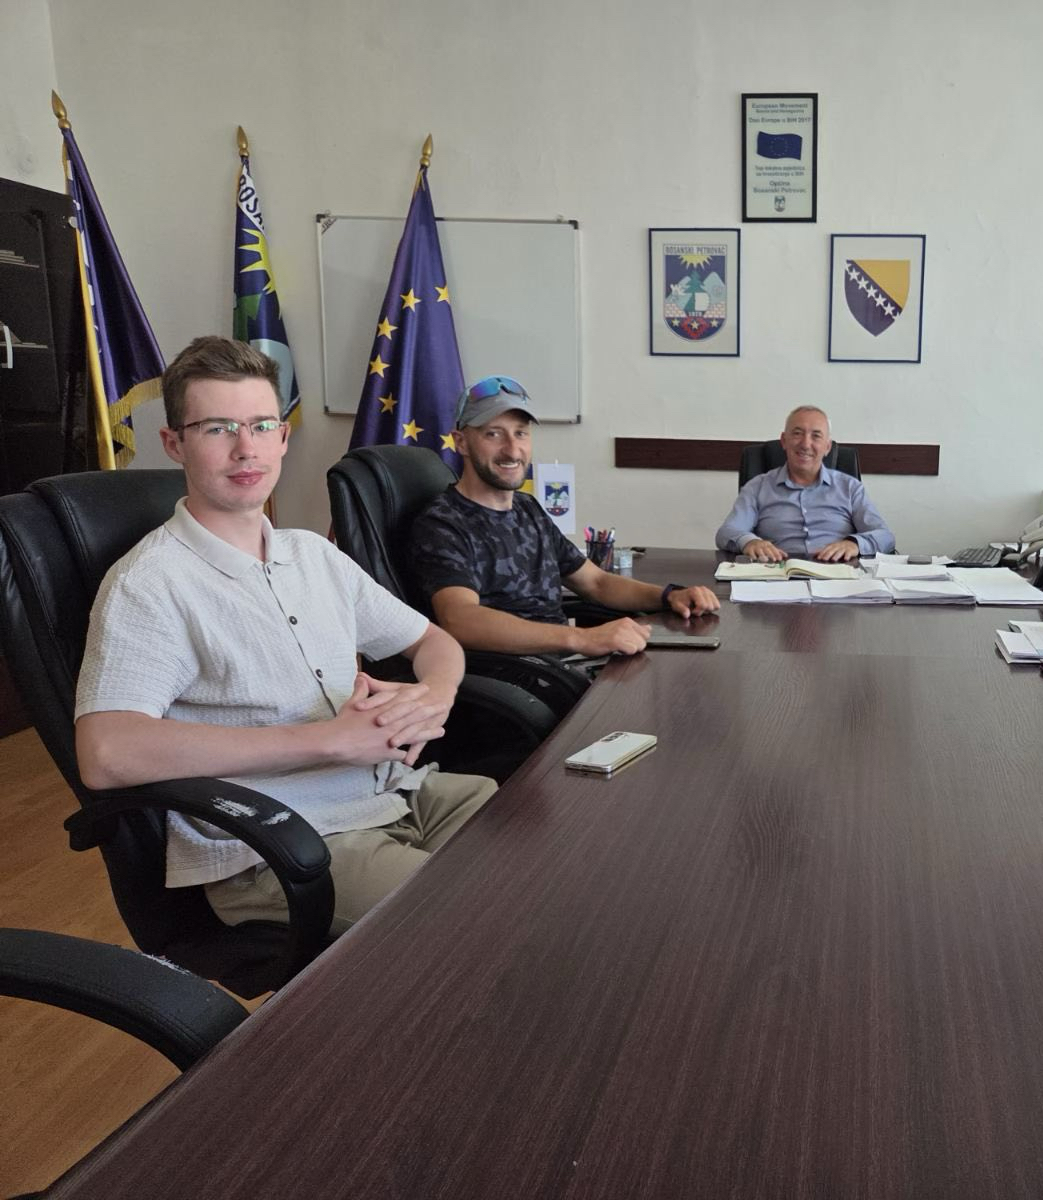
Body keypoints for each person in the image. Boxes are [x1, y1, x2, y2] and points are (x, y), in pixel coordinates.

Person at [75, 336, 497, 934]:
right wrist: (329, 741)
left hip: (392, 792)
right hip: (278, 844)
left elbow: (436, 643)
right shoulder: (150, 583)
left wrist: (432, 696)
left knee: (541, 847)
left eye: (261, 425)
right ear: (174, 443)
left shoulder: (312, 555)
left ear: (282, 438)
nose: (245, 448)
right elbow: (106, 753)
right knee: (482, 921)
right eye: (218, 428)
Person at [410, 376, 720, 659]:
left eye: (521, 433)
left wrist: (669, 596)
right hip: (516, 677)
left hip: (562, 665)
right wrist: (581, 638)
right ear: (461, 442)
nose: (512, 450)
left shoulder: (527, 508)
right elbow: (460, 620)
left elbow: (596, 582)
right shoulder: (442, 523)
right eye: (493, 434)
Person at [715, 405, 895, 562]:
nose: (805, 444)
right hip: (777, 574)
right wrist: (750, 542)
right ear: (784, 441)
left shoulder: (850, 488)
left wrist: (854, 544)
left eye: (816, 436)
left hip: (837, 576)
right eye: (797, 433)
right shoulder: (757, 487)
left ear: (827, 447)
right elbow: (727, 532)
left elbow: (885, 536)